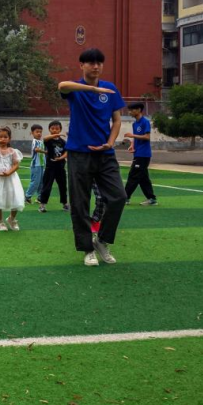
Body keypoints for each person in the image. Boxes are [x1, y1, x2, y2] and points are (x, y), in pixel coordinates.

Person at [59, 47, 128, 267]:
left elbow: (116, 120)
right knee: (80, 203)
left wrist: (111, 141)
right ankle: (87, 249)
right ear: (82, 65)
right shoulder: (76, 90)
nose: (96, 66)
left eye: (99, 62)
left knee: (118, 197)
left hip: (105, 154)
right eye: (91, 63)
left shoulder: (110, 89)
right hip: (79, 153)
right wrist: (90, 89)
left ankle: (102, 240)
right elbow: (62, 86)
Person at [124, 102, 158, 206]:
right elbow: (136, 137)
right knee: (143, 178)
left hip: (144, 154)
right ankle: (151, 199)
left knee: (133, 175)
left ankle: (125, 198)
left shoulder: (145, 122)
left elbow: (147, 137)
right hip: (138, 153)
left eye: (132, 110)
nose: (130, 112)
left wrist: (132, 135)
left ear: (138, 110)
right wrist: (132, 145)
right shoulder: (135, 124)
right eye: (129, 110)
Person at [38, 120, 69, 213]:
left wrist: (61, 158)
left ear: (60, 129)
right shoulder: (49, 140)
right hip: (50, 167)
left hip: (60, 167)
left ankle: (65, 204)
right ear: (49, 129)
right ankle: (42, 205)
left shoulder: (63, 142)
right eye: (52, 128)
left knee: (63, 186)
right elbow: (45, 138)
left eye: (57, 129)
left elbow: (67, 152)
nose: (55, 130)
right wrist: (55, 135)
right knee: (47, 186)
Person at [25, 124, 46, 204]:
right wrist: (46, 152)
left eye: (40, 132)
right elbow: (36, 149)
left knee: (41, 181)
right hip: (35, 164)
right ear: (32, 133)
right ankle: (27, 196)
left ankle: (40, 197)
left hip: (41, 165)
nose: (39, 133)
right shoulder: (35, 141)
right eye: (37, 132)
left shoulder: (41, 141)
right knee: (35, 181)